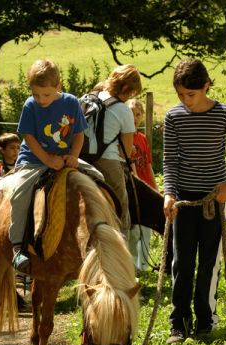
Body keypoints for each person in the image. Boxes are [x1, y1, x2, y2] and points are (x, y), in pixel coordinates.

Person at [163, 58, 226, 344]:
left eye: (191, 94)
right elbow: (170, 162)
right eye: (181, 95)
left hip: (214, 202)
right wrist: (169, 193)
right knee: (182, 261)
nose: (185, 100)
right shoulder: (173, 117)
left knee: (208, 263)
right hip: (183, 202)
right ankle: (179, 323)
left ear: (206, 86)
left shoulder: (224, 114)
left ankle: (205, 320)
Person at [10, 59, 87, 275]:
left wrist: (73, 155)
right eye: (36, 94)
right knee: (20, 193)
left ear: (59, 86)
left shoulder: (71, 103)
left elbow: (79, 134)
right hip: (34, 159)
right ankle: (18, 246)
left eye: (46, 95)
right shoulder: (30, 105)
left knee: (98, 179)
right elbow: (29, 137)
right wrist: (47, 160)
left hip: (65, 158)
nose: (41, 100)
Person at [90, 65, 142, 240]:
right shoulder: (123, 110)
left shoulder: (89, 97)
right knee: (121, 207)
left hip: (78, 159)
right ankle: (122, 245)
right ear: (127, 88)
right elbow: (125, 153)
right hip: (107, 163)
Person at [126, 99, 159, 272]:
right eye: (131, 113)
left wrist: (155, 188)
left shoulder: (142, 138)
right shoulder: (124, 136)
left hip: (147, 188)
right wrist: (138, 185)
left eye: (138, 114)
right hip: (134, 188)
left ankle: (143, 266)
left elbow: (147, 164)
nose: (135, 118)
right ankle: (131, 266)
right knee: (134, 230)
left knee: (147, 228)